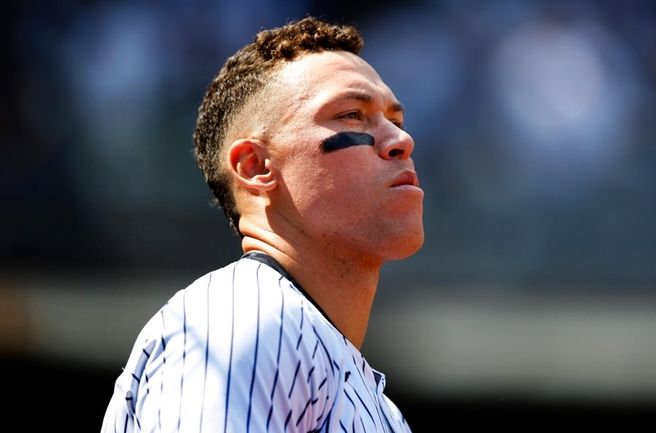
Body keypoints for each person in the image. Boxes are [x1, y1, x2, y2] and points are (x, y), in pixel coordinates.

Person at [100, 16, 423, 433]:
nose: (402, 140)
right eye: (352, 115)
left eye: (396, 121)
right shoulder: (245, 318)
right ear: (255, 166)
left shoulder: (361, 390)